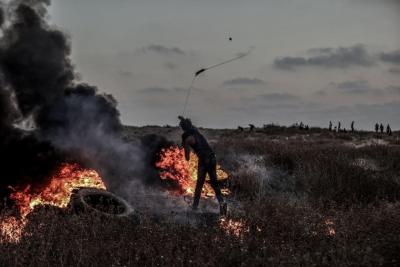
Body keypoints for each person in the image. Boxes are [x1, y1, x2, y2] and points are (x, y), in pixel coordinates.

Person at [178, 116, 227, 215]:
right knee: (214, 183)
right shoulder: (195, 131)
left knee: (199, 184)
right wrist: (182, 119)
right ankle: (222, 203)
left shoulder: (187, 139)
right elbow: (189, 125)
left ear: (183, 128)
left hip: (204, 160)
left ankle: (195, 207)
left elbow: (187, 157)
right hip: (212, 157)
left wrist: (184, 146)